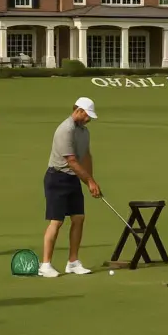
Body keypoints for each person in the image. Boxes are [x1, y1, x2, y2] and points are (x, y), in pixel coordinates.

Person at [38, 97, 101, 278]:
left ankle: (73, 262)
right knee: (56, 221)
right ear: (78, 111)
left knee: (79, 218)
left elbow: (86, 156)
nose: (88, 119)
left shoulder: (84, 132)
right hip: (56, 178)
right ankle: (45, 264)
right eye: (87, 115)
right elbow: (71, 161)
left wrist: (91, 179)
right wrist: (89, 182)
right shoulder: (65, 130)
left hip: (73, 178)